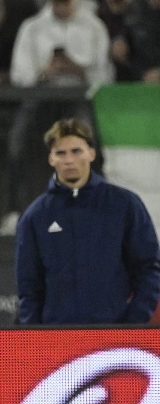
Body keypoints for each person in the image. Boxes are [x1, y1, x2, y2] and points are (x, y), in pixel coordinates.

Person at [15, 118, 160, 324]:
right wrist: (36, 336)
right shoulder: (35, 216)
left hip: (113, 339)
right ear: (51, 159)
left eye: (76, 151)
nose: (69, 160)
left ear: (91, 154)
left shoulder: (125, 205)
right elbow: (29, 288)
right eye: (61, 153)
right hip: (57, 341)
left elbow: (148, 269)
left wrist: (132, 323)